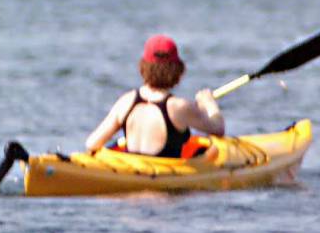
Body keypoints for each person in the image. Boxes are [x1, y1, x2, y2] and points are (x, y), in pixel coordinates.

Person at [84, 34, 224, 157]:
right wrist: (209, 103)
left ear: (143, 67)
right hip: (163, 179)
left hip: (131, 170)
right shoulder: (179, 107)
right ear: (178, 70)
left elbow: (92, 143)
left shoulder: (126, 101)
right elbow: (218, 128)